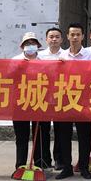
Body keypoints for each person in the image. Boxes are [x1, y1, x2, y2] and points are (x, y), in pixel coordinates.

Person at [55, 23, 91, 180]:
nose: (75, 37)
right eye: (72, 34)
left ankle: (84, 167)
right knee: (64, 135)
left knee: (84, 135)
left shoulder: (90, 56)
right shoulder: (61, 56)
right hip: (65, 100)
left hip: (84, 100)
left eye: (78, 34)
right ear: (67, 36)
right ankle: (67, 167)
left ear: (83, 36)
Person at [10, 32, 51, 173]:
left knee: (40, 134)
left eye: (33, 43)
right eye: (27, 43)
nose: (30, 46)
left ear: (38, 46)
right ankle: (20, 165)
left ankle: (40, 164)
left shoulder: (44, 61)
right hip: (20, 102)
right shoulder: (15, 61)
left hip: (40, 101)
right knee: (21, 136)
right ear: (22, 46)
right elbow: (9, 79)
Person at [38, 27, 63, 170]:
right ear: (46, 39)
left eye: (57, 37)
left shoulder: (66, 55)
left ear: (62, 39)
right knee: (43, 130)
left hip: (61, 98)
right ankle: (44, 159)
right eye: (51, 37)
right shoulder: (40, 56)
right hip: (43, 97)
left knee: (60, 131)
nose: (54, 39)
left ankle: (59, 159)